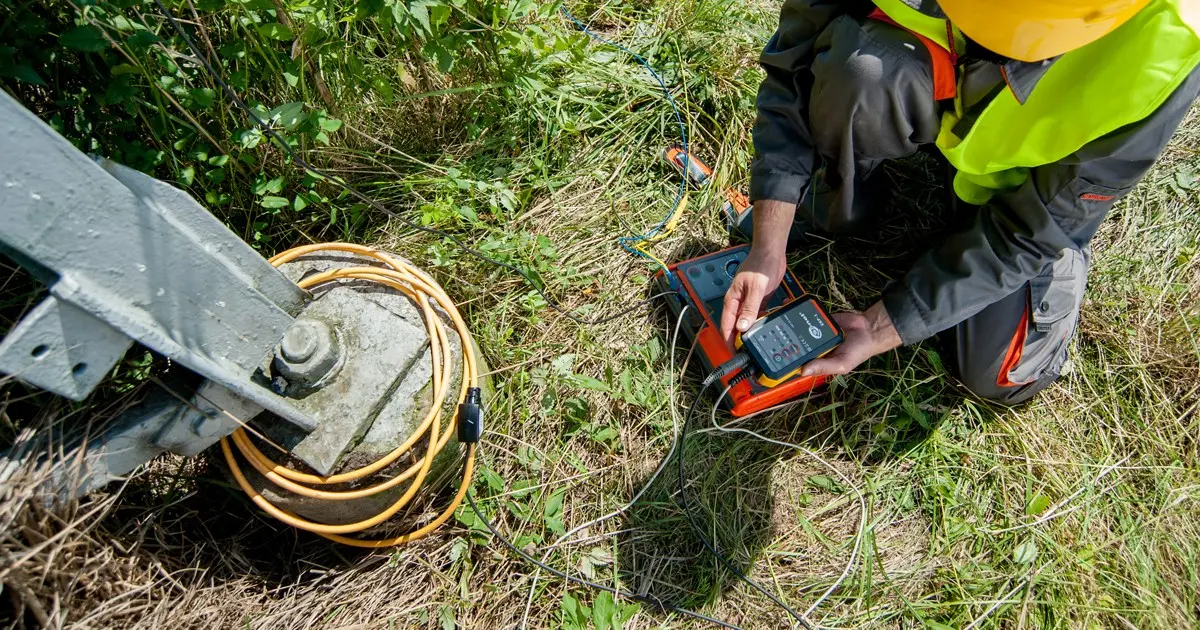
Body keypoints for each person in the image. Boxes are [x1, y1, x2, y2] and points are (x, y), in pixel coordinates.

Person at [720, 0, 1200, 404]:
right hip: (934, 77)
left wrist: (882, 325)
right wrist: (770, 239)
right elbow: (794, 65)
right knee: (859, 73)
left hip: (1026, 191)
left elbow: (1034, 229)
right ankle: (837, 200)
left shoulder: (1166, 43)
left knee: (998, 375)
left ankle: (1051, 274)